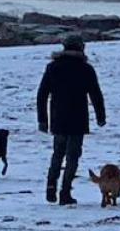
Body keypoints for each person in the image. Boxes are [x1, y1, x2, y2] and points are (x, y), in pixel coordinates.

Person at [36, 35, 105, 205]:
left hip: (58, 118)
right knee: (72, 157)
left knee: (57, 153)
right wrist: (100, 116)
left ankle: (51, 186)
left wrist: (43, 120)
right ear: (81, 48)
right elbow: (95, 94)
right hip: (78, 119)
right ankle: (65, 192)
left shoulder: (53, 67)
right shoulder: (85, 69)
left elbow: (42, 95)